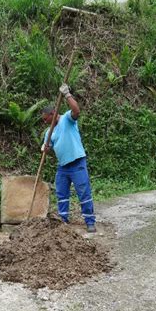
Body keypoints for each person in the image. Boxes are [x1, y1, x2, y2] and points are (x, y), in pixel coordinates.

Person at [41, 84, 96, 233]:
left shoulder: (67, 119)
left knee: (83, 192)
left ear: (53, 113)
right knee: (61, 193)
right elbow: (48, 147)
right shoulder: (49, 132)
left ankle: (90, 221)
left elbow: (76, 110)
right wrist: (45, 149)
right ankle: (63, 220)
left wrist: (67, 94)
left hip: (77, 162)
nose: (45, 122)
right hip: (63, 166)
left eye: (46, 119)